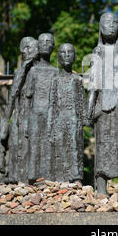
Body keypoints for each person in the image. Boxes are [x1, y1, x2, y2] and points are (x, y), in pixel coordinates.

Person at [87, 13, 118, 196]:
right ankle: (101, 187)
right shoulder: (97, 52)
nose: (112, 26)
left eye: (115, 22)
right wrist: (89, 107)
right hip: (103, 105)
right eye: (108, 23)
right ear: (100, 27)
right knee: (103, 145)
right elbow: (93, 82)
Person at [0, 36, 38, 183]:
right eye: (23, 49)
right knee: (17, 147)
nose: (25, 52)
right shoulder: (20, 72)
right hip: (20, 115)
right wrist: (5, 120)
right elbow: (13, 96)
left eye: (29, 47)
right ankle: (16, 180)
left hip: (36, 116)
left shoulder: (42, 71)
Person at [47, 43, 86, 183]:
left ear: (75, 57)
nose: (67, 55)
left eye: (70, 52)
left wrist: (84, 121)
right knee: (60, 148)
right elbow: (51, 105)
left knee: (75, 149)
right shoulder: (55, 80)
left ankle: (76, 178)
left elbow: (82, 102)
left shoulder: (78, 80)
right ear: (58, 58)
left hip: (74, 120)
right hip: (59, 120)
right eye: (63, 52)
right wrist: (49, 126)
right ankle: (60, 178)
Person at [24, 33, 58, 184]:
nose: (45, 44)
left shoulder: (56, 72)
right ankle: (33, 176)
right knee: (34, 146)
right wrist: (25, 121)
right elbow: (27, 97)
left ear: (53, 46)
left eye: (48, 41)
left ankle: (48, 176)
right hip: (35, 114)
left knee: (49, 145)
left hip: (51, 115)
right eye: (42, 41)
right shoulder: (33, 71)